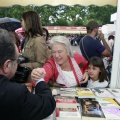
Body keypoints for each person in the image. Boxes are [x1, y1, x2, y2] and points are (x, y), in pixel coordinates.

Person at [0, 29, 56, 120]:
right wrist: (39, 80)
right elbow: (47, 104)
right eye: (17, 59)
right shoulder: (15, 93)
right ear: (7, 65)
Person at [19, 11, 48, 81]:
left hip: (33, 80)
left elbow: (41, 63)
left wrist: (24, 65)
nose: (21, 23)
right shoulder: (28, 39)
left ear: (28, 21)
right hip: (25, 77)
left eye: (22, 20)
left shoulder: (38, 40)